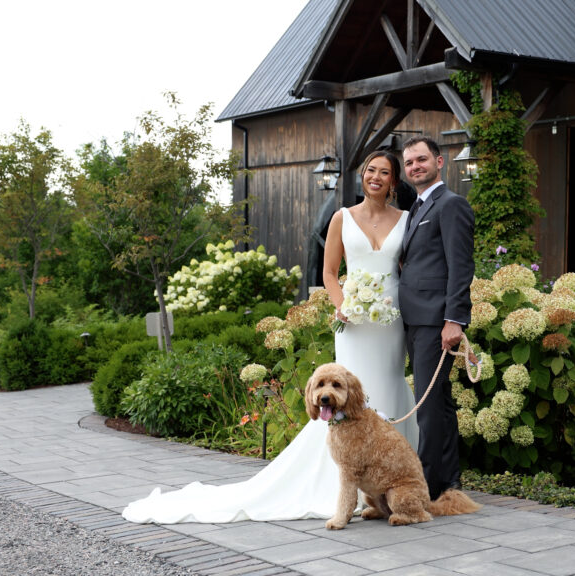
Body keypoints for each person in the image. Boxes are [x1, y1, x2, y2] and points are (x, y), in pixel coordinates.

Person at [121, 150, 418, 523]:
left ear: (394, 181)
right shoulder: (343, 218)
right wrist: (342, 305)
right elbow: (328, 273)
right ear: (363, 176)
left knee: (389, 386)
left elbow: (411, 270)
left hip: (390, 322)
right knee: (352, 395)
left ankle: (389, 481)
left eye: (385, 172)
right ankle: (344, 485)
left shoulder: (407, 220)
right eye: (370, 170)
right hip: (354, 325)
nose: (376, 177)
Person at [399, 136, 475, 501]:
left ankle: (427, 485)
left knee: (429, 406)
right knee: (439, 402)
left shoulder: (451, 205)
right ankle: (447, 482)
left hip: (435, 320)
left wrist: (454, 320)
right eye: (410, 162)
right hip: (414, 320)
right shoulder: (415, 208)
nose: (415, 166)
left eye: (422, 160)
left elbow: (461, 267)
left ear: (440, 162)